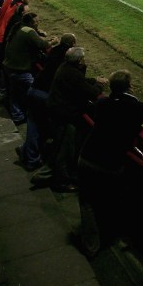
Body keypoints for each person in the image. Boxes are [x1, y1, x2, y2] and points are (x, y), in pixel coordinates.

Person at [73, 69, 143, 259]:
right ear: (130, 87)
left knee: (87, 201)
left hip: (87, 157)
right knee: (109, 197)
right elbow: (135, 112)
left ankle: (91, 244)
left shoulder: (102, 104)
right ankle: (111, 236)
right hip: (110, 165)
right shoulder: (137, 107)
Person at [41, 46, 106, 192]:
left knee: (63, 147)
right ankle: (61, 182)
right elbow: (92, 92)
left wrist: (93, 79)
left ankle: (59, 176)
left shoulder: (66, 68)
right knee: (65, 150)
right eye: (83, 59)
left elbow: (80, 81)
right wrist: (99, 84)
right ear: (79, 61)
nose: (84, 61)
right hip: (63, 116)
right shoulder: (72, 74)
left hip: (57, 112)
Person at [16, 32, 76, 171]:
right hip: (44, 95)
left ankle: (26, 151)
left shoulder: (54, 51)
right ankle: (40, 163)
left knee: (34, 124)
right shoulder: (66, 62)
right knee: (55, 129)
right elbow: (73, 81)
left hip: (34, 89)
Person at [2, 11, 55, 126]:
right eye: (36, 21)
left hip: (8, 66)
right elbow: (42, 45)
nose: (38, 23)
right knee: (36, 92)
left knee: (14, 92)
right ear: (31, 23)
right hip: (19, 70)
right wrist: (53, 41)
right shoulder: (29, 31)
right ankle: (37, 119)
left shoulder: (19, 27)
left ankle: (17, 115)